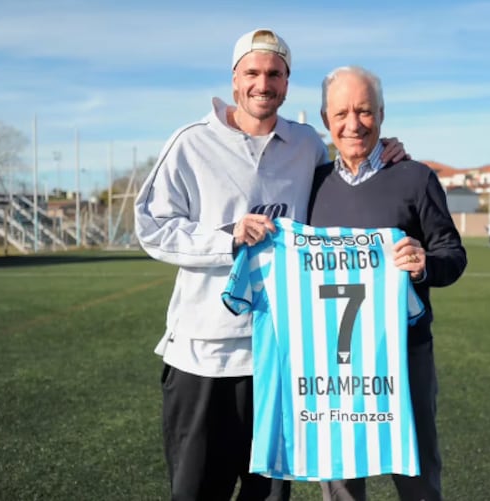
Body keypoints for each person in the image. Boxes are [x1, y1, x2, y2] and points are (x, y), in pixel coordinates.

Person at [134, 29, 407, 501]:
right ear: (235, 79)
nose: (264, 83)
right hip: (205, 355)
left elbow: (346, 168)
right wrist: (226, 239)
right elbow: (152, 226)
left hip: (281, 356)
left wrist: (385, 153)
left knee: (269, 496)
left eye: (275, 74)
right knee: (198, 491)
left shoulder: (304, 145)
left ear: (287, 82)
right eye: (253, 73)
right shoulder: (191, 142)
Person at [307, 66, 468, 501]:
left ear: (381, 113)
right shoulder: (312, 184)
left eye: (364, 111)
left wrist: (424, 264)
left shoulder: (416, 178)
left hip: (404, 351)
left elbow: (452, 254)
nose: (353, 123)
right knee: (339, 477)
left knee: (416, 471)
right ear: (325, 119)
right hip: (335, 361)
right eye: (341, 113)